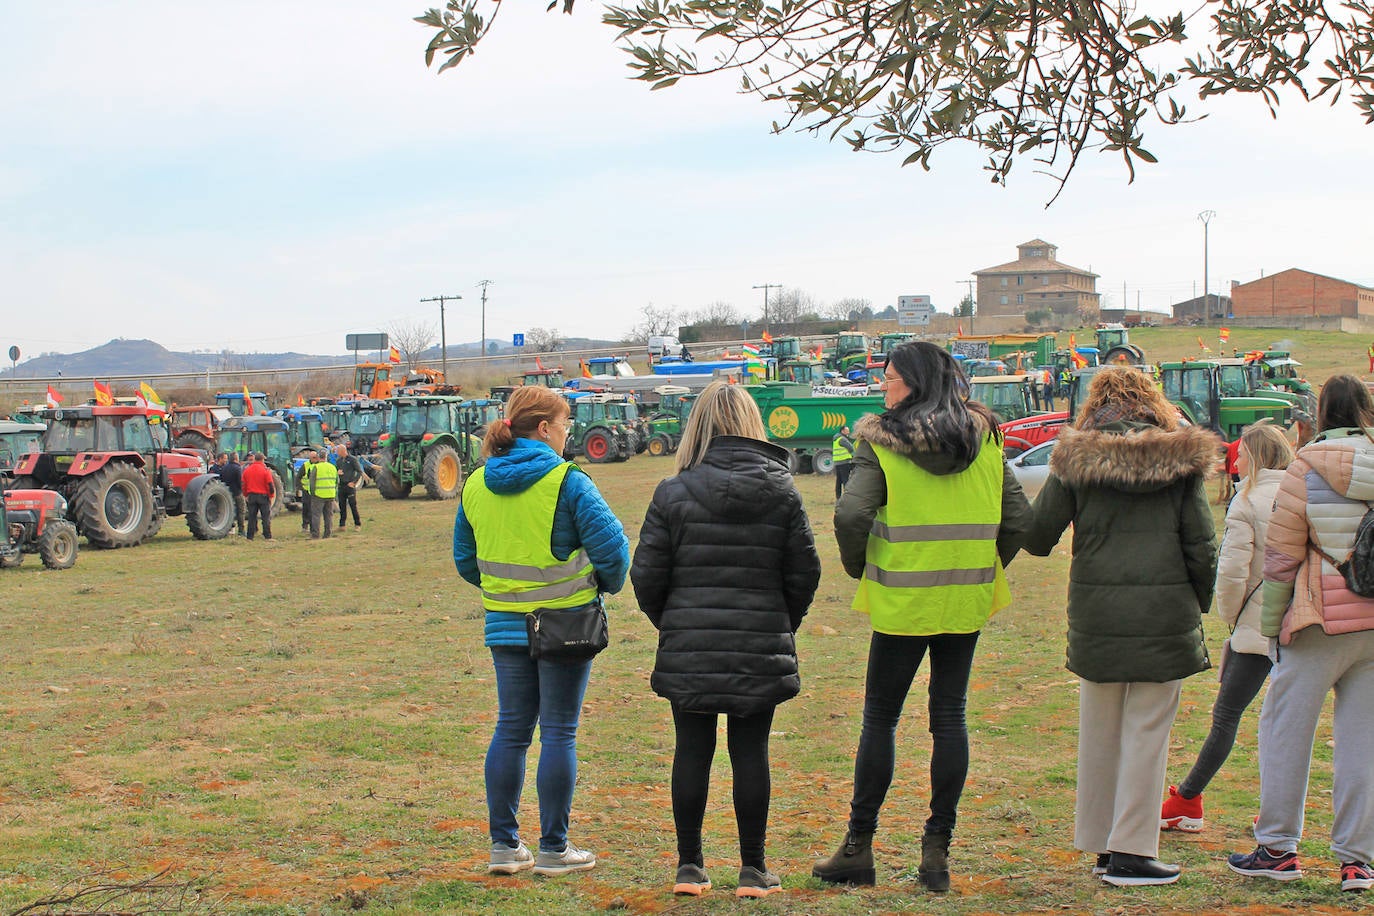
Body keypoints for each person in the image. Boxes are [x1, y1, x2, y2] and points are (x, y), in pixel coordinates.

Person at [814, 341, 1032, 891]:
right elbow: (1019, 518)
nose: (882, 386)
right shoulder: (988, 438)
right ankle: (937, 854)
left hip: (902, 599)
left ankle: (858, 847)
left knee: (880, 719)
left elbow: (851, 512)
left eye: (889, 378)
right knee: (949, 718)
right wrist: (985, 564)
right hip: (966, 597)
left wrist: (860, 567)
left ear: (913, 382)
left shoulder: (880, 442)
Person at [1024, 367, 1219, 887]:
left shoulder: (1073, 458)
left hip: (1096, 614)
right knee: (1147, 733)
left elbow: (1038, 535)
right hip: (1165, 612)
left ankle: (1104, 843)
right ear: (1151, 403)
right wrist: (1201, 602)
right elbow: (1200, 544)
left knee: (1100, 730)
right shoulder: (1180, 459)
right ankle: (1132, 850)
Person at [631, 381, 821, 899]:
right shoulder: (782, 490)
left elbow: (646, 576)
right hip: (759, 641)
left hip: (691, 641)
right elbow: (804, 574)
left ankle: (690, 866)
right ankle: (753, 870)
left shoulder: (672, 492)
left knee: (691, 749)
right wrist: (779, 624)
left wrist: (675, 625)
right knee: (750, 751)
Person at [453, 385, 629, 878]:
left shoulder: (475, 483)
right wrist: (602, 585)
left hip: (505, 625)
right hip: (567, 624)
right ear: (546, 428)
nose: (569, 429)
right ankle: (554, 848)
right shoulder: (568, 481)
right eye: (567, 421)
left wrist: (505, 588)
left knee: (511, 729)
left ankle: (504, 847)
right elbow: (613, 552)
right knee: (558, 732)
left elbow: (467, 560)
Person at [1228, 374, 1374, 892]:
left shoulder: (1304, 466)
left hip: (1317, 620)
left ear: (1320, 411)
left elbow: (1282, 559)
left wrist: (1269, 631)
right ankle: (1358, 860)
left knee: (1284, 731)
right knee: (1362, 742)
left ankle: (1278, 847)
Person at [1161, 421, 1294, 832]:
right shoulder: (1298, 493)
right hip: (1300, 621)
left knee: (1227, 716)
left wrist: (1230, 616)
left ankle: (1188, 798)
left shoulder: (1248, 500)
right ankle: (1277, 810)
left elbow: (1234, 571)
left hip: (1256, 623)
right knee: (1287, 721)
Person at [241, 452, 276, 541]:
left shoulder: (247, 470)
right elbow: (270, 485)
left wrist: (245, 495)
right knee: (265, 517)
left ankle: (250, 537)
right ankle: (267, 536)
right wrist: (271, 496)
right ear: (262, 460)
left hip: (251, 496)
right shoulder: (265, 470)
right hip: (263, 497)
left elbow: (243, 484)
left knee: (252, 517)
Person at [304, 450, 337, 539]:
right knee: (328, 515)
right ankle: (327, 534)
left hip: (318, 495)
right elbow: (337, 481)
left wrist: (312, 493)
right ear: (326, 457)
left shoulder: (316, 467)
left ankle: (315, 534)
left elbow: (312, 482)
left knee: (316, 515)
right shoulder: (332, 467)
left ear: (318, 457)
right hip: (330, 494)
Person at [211, 452, 245, 536]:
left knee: (230, 510)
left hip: (227, 493)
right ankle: (241, 530)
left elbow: (222, 480)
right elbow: (239, 481)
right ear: (236, 459)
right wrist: (242, 490)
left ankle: (230, 528)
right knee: (241, 511)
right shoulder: (237, 468)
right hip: (237, 492)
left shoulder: (224, 468)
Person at [335, 443, 363, 528]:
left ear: (343, 451)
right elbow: (336, 470)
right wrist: (337, 473)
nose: (336, 452)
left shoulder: (352, 459)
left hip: (350, 486)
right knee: (342, 506)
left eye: (338, 451)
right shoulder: (338, 460)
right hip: (341, 486)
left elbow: (359, 471)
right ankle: (342, 525)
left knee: (352, 505)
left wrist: (354, 482)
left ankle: (357, 524)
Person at [832, 424, 855, 500]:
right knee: (846, 480)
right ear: (842, 431)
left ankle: (838, 497)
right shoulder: (842, 439)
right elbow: (851, 448)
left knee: (838, 481)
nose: (848, 432)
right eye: (847, 430)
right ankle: (847, 498)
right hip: (844, 462)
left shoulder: (836, 438)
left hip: (837, 463)